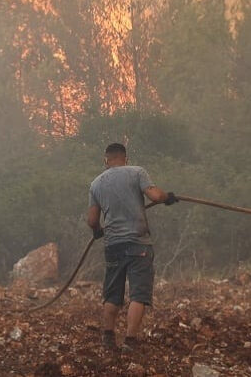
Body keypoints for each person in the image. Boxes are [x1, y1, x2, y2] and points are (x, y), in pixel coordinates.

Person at [86, 142, 178, 351]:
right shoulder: (137, 172)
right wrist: (168, 197)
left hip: (113, 245)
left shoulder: (96, 184)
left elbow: (92, 220)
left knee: (112, 294)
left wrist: (97, 230)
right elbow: (155, 195)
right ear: (125, 158)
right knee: (138, 294)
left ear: (105, 160)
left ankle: (108, 337)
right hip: (139, 244)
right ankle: (130, 341)